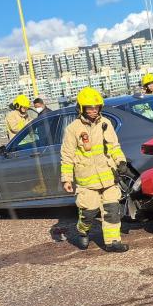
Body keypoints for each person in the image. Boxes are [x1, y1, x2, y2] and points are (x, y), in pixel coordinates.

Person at [60, 87, 129, 253]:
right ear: (81, 108)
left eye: (96, 107)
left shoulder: (106, 124)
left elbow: (114, 147)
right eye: (89, 108)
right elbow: (67, 155)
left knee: (112, 210)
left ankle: (113, 242)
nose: (93, 111)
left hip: (108, 178)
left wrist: (121, 161)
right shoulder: (73, 129)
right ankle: (82, 230)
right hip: (87, 181)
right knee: (88, 213)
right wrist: (67, 179)